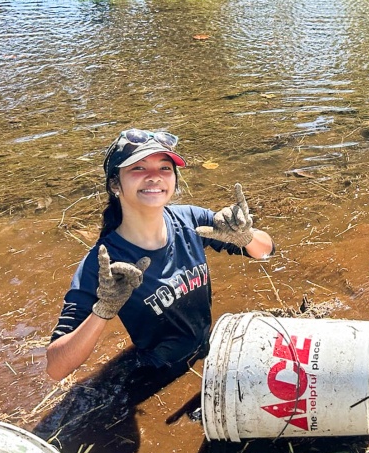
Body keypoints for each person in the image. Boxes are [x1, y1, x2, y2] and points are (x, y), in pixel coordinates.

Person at [46, 128, 274, 381]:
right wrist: (104, 310)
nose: (154, 177)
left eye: (164, 168)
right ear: (114, 184)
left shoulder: (191, 220)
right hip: (156, 373)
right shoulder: (104, 262)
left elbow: (267, 251)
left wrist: (245, 236)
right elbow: (56, 368)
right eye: (138, 168)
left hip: (207, 351)